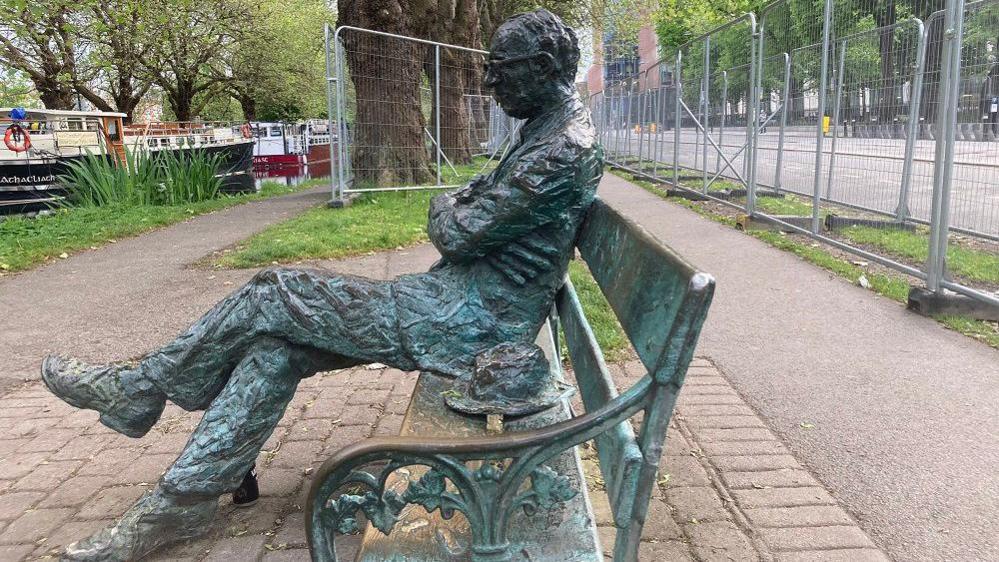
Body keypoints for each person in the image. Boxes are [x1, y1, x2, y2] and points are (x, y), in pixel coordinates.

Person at [41, 9, 603, 561]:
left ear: (545, 64)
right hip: (450, 306)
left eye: (502, 66)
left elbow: (458, 230)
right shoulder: (543, 130)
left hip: (468, 328)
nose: (490, 78)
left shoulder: (564, 147)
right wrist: (456, 206)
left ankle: (139, 389)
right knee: (272, 352)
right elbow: (467, 212)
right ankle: (179, 502)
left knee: (274, 290)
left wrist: (446, 205)